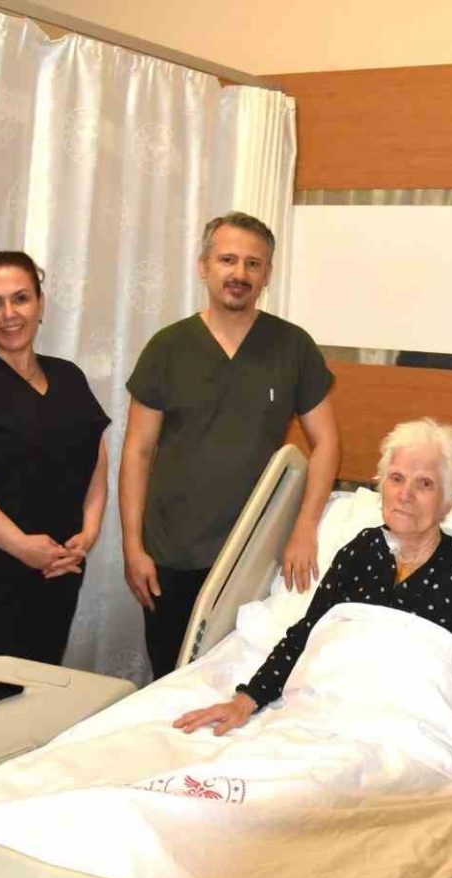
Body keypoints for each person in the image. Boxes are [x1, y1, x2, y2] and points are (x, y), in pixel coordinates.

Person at [174, 418, 452, 821]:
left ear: (449, 501)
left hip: (410, 736)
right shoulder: (360, 553)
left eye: (425, 484)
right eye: (396, 479)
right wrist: (247, 699)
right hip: (321, 718)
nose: (405, 495)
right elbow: (308, 634)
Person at [121, 211, 340, 680]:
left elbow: (327, 443)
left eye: (253, 264)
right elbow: (137, 452)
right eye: (227, 260)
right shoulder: (167, 348)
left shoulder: (292, 347)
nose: (239, 273)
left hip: (253, 557)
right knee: (170, 684)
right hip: (171, 556)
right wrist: (132, 546)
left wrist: (304, 528)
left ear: (267, 274)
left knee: (240, 685)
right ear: (203, 266)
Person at [0, 251, 110, 711]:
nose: (9, 314)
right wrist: (21, 546)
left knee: (37, 702)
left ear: (41, 303)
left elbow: (96, 460)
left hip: (58, 571)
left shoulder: (68, 377)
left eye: (21, 298)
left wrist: (87, 535)